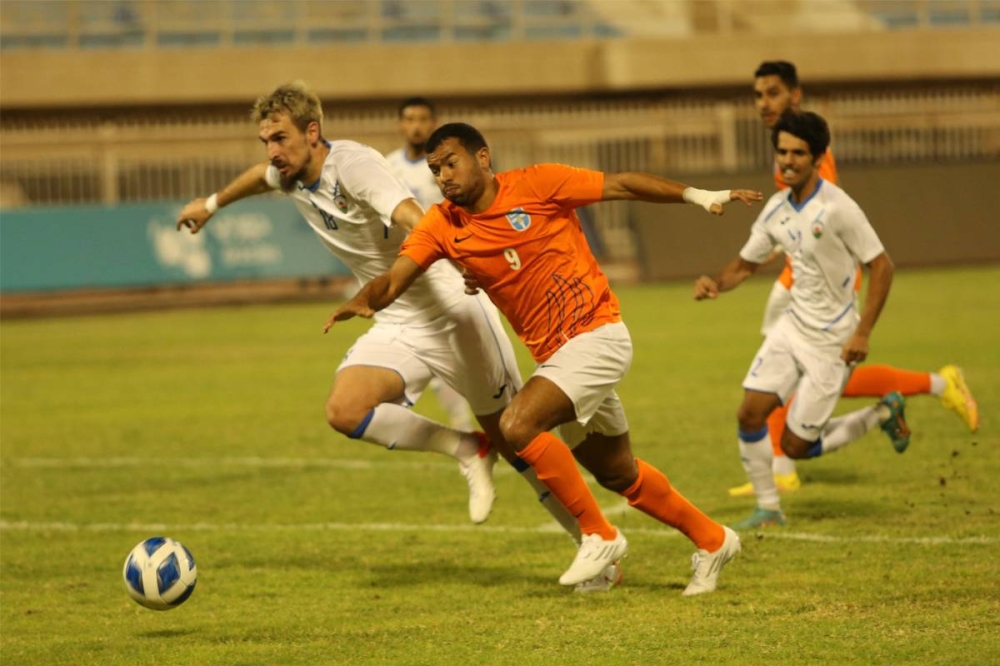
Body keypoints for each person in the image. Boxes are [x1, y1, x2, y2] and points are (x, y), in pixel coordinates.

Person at [325, 122, 764, 594]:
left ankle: (598, 535)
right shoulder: (442, 224)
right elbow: (395, 278)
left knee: (517, 426)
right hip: (557, 358)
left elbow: (621, 184)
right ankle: (713, 539)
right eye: (435, 170)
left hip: (597, 335)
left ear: (482, 157)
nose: (444, 177)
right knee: (617, 471)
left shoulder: (538, 184)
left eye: (451, 163)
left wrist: (696, 195)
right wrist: (365, 300)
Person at [175, 84, 594, 578]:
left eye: (280, 138)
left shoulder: (353, 167)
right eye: (266, 140)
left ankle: (595, 540)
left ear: (313, 132)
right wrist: (212, 203)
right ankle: (466, 448)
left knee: (515, 440)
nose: (272, 151)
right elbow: (258, 178)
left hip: (452, 309)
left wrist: (463, 254)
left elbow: (413, 215)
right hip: (397, 318)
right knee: (345, 409)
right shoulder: (288, 174)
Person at [728, 60, 980, 499]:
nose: (763, 103)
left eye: (773, 93)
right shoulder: (789, 145)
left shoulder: (813, 156)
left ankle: (935, 384)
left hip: (814, 286)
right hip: (797, 278)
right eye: (758, 95)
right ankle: (784, 463)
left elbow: (824, 224)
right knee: (794, 374)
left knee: (804, 372)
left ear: (795, 95)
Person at [695, 111, 911, 529]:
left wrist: (863, 332)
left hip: (834, 340)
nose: (788, 161)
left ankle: (882, 414)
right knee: (749, 414)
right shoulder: (776, 208)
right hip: (792, 327)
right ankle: (768, 509)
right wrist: (715, 283)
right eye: (782, 152)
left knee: (796, 447)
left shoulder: (838, 208)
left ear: (817, 158)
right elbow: (745, 264)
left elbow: (882, 265)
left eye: (798, 153)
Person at [384, 96, 475, 433]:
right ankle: (463, 420)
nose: (416, 126)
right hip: (414, 268)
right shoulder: (388, 167)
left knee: (470, 343)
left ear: (433, 123)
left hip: (453, 264)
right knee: (435, 345)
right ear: (400, 124)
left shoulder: (447, 165)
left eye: (423, 119)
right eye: (410, 119)